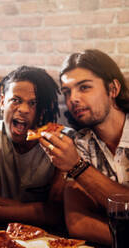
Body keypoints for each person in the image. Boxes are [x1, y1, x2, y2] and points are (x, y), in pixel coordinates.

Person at [39, 49, 129, 245]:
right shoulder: (77, 144)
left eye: (84, 87)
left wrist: (77, 166)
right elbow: (78, 224)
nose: (73, 99)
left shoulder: (74, 156)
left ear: (113, 89)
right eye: (67, 91)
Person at [0, 66, 66, 227]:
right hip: (2, 233)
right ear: (2, 101)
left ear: (44, 109)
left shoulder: (62, 141)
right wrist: (38, 211)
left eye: (33, 103)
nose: (23, 109)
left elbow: (56, 214)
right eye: (16, 100)